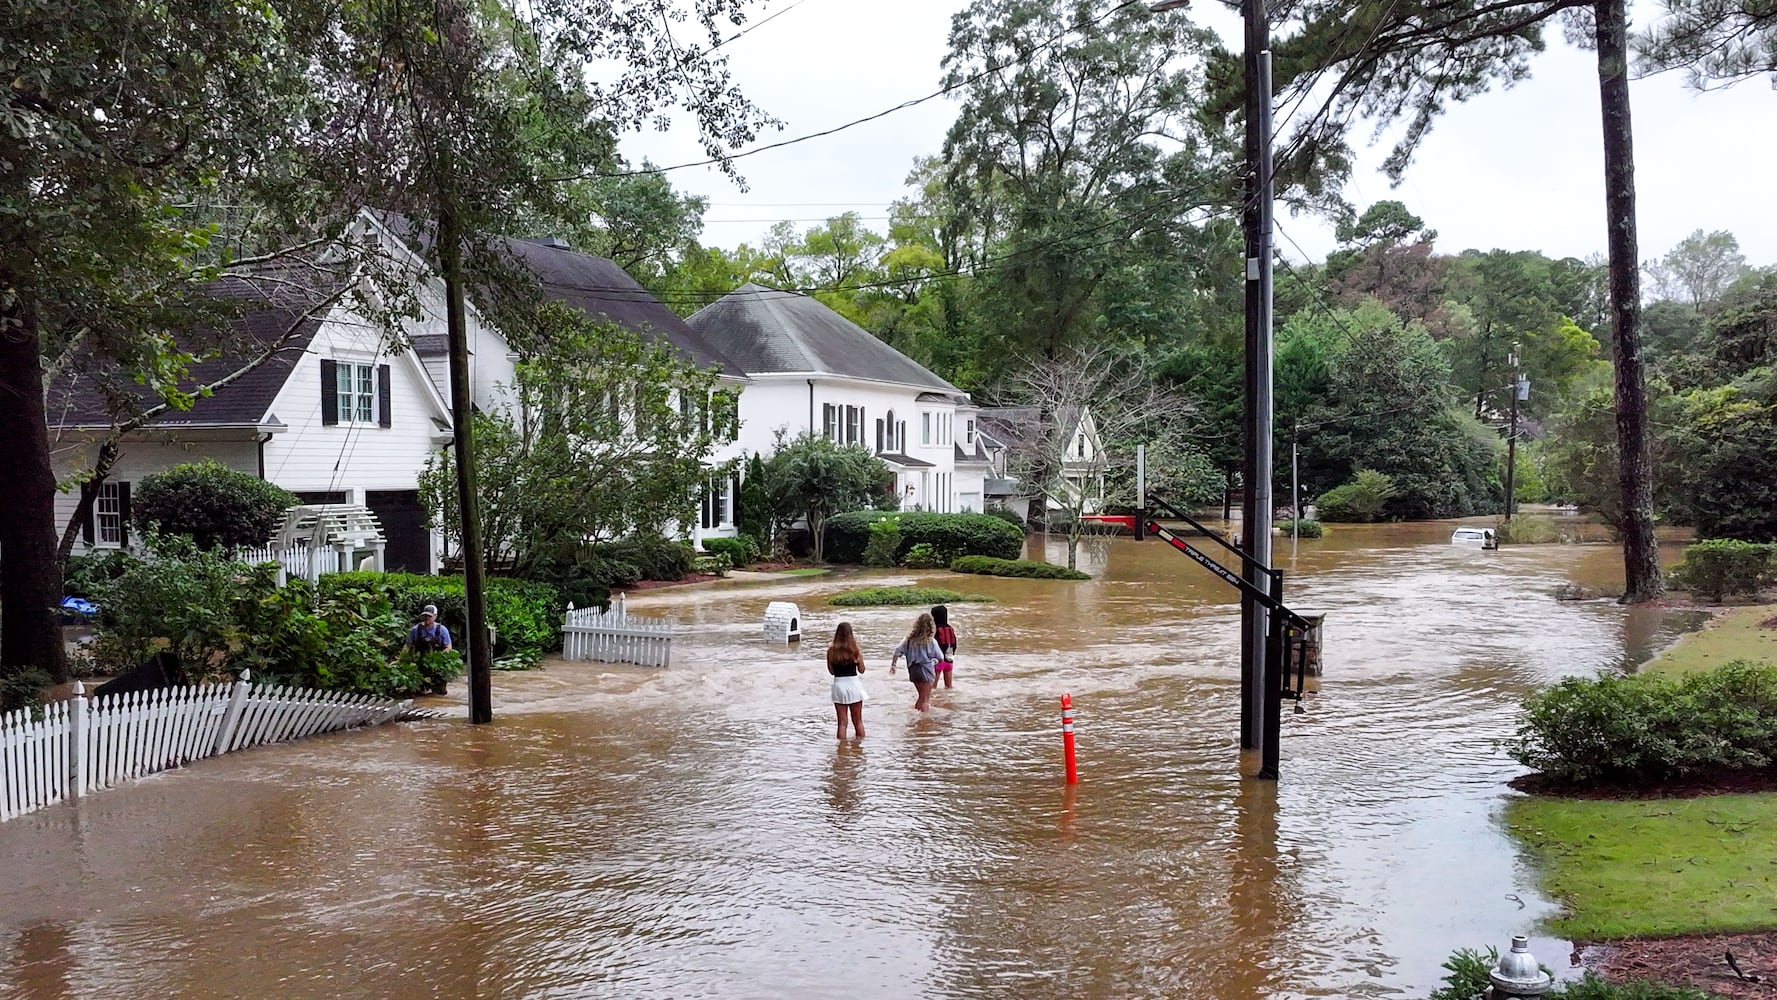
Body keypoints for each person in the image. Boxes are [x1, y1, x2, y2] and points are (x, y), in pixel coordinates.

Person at [888, 612, 942, 712]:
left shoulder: (908, 640)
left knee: (921, 697)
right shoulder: (931, 641)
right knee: (925, 700)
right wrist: (937, 667)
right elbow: (941, 657)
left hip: (913, 671)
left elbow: (897, 651)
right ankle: (924, 722)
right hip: (926, 671)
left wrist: (893, 665)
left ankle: (916, 718)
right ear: (931, 626)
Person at [827, 622, 867, 740]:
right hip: (853, 685)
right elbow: (862, 670)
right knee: (858, 721)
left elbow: (831, 671)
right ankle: (859, 749)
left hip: (838, 685)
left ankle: (842, 750)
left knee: (842, 723)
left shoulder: (831, 651)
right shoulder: (855, 650)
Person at [932, 604, 958, 689]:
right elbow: (954, 644)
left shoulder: (934, 629)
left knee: (932, 688)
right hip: (949, 661)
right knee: (949, 687)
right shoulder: (950, 628)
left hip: (938, 662)